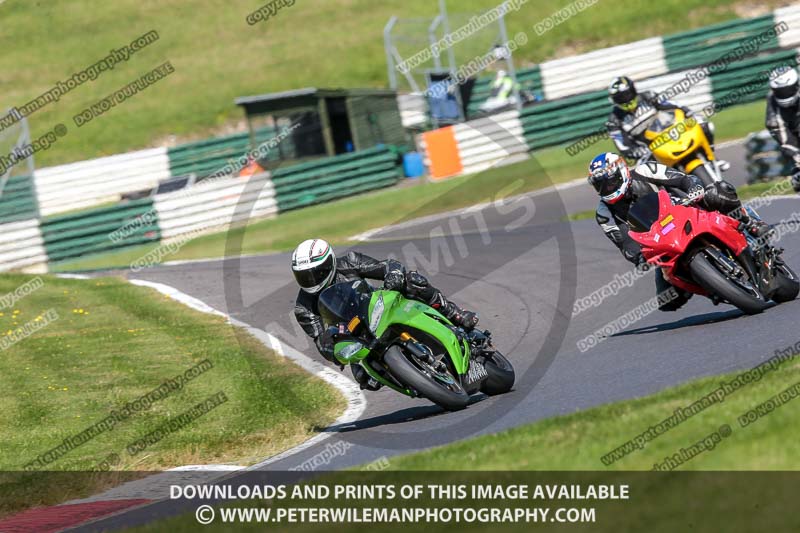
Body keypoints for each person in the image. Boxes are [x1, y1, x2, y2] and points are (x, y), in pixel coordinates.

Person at [588, 152, 767, 311]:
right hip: (662, 241)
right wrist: (639, 258)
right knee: (667, 301)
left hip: (685, 209)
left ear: (621, 171)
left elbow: (684, 179)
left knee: (718, 191)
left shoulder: (645, 171)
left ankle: (751, 222)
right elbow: (626, 244)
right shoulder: (604, 213)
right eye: (601, 186)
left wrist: (694, 188)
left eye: (610, 183)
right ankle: (713, 286)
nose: (607, 189)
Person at [291, 239, 478, 389]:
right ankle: (410, 377)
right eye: (304, 276)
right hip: (355, 335)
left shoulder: (349, 262)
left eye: (316, 273)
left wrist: (393, 274)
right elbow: (321, 342)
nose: (311, 280)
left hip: (378, 308)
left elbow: (389, 265)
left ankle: (455, 314)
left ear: (329, 263)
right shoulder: (303, 307)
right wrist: (334, 349)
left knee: (413, 280)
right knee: (364, 379)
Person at [605, 76, 729, 170]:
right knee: (643, 170)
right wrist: (637, 151)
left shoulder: (649, 96)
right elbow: (623, 145)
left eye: (627, 95)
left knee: (704, 125)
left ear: (634, 90)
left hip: (670, 133)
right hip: (650, 149)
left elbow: (673, 105)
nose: (626, 99)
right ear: (614, 101)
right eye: (621, 98)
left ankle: (712, 159)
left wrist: (689, 113)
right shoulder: (614, 121)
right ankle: (668, 196)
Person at [765, 66, 800, 192]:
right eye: (780, 91)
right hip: (790, 131)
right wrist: (795, 155)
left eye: (788, 90)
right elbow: (776, 128)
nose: (784, 94)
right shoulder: (772, 101)